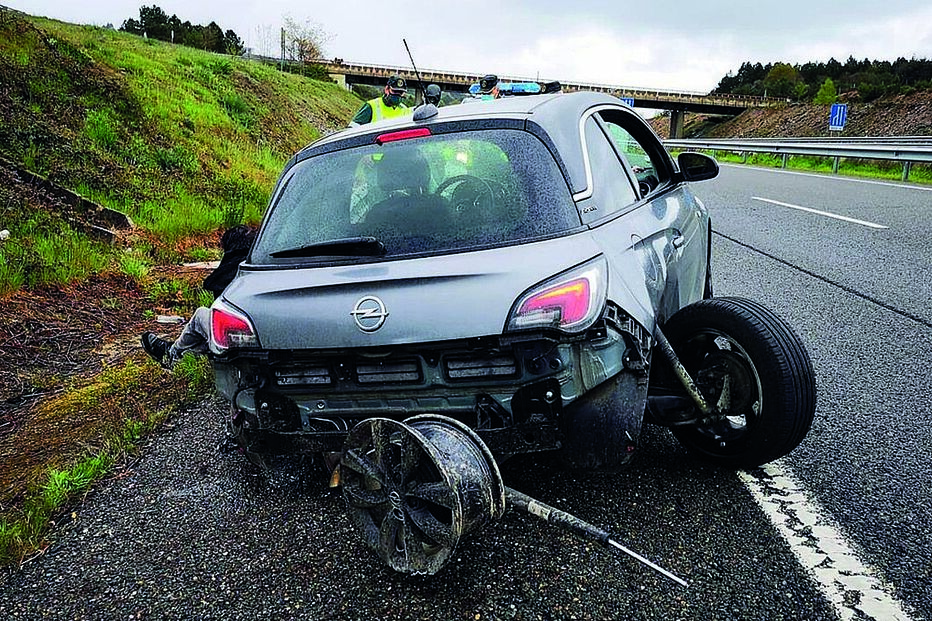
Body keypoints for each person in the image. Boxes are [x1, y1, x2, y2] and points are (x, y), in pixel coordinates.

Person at [141, 224, 256, 369]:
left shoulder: (231, 271)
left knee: (202, 314)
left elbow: (214, 290)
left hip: (240, 342)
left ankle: (172, 354)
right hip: (263, 341)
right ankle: (182, 356)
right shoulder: (260, 266)